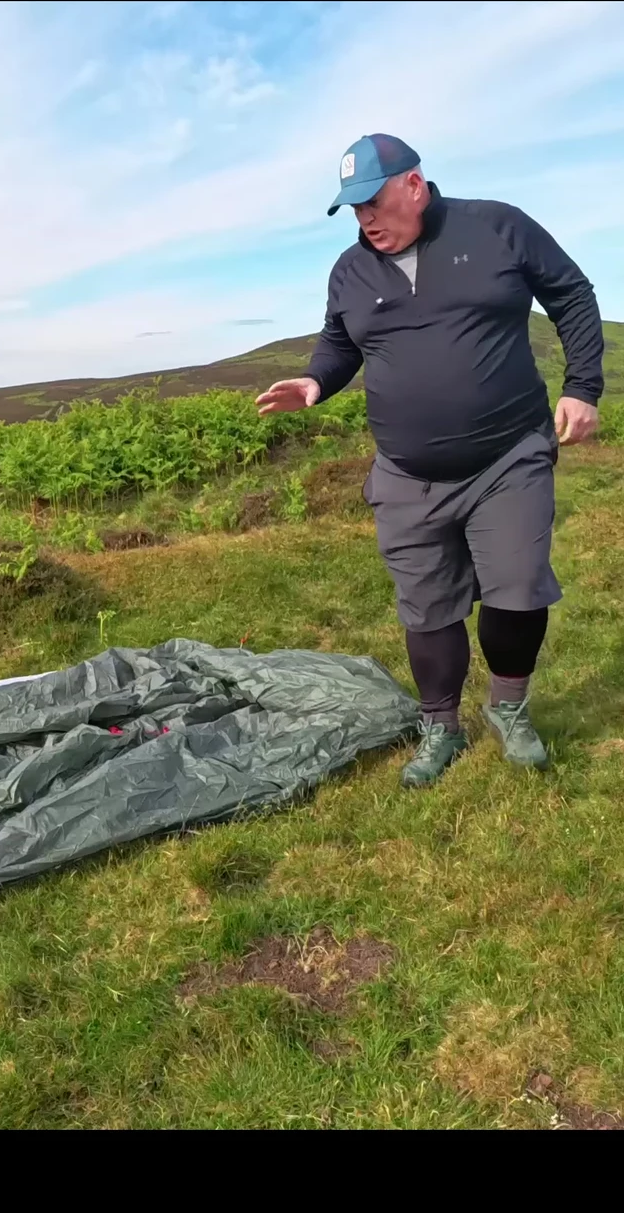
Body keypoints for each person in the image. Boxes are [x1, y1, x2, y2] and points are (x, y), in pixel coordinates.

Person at [256, 133, 605, 787]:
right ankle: (440, 726)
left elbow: (572, 293)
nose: (365, 218)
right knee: (427, 609)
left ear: (413, 185)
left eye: (374, 201)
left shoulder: (496, 226)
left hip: (509, 456)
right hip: (407, 473)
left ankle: (510, 707)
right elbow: (340, 342)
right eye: (352, 208)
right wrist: (314, 382)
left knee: (518, 588)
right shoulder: (350, 271)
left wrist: (582, 386)